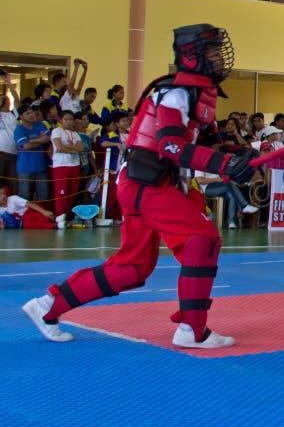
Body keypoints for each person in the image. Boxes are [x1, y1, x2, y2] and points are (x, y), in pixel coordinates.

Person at [23, 23, 256, 349]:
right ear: (192, 56)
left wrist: (253, 157)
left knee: (132, 268)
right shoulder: (176, 92)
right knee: (203, 238)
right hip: (146, 183)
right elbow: (171, 147)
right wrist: (223, 165)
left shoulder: (200, 95)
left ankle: (48, 306)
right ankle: (193, 329)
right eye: (214, 52)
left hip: (143, 183)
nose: (221, 59)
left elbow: (213, 147)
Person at [50, 110, 84, 229]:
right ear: (61, 120)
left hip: (74, 165)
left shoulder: (75, 133)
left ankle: (67, 216)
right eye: (66, 119)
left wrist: (69, 148)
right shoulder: (57, 131)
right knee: (61, 192)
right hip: (61, 165)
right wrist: (73, 149)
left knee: (71, 192)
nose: (69, 122)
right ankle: (59, 216)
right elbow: (59, 147)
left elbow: (81, 147)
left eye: (71, 119)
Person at [0, 69, 21, 194]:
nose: (5, 98)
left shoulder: (14, 114)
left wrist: (9, 82)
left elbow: (17, 100)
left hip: (13, 153)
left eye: (6, 98)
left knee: (13, 183)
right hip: (0, 152)